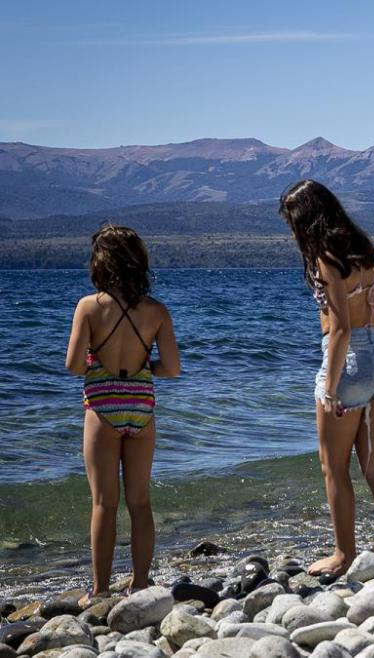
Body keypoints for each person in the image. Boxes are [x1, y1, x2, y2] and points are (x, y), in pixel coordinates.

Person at [280, 179, 374, 576]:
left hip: (348, 363)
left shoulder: (326, 258)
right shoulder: (364, 254)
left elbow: (339, 330)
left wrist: (330, 388)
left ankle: (343, 554)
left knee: (333, 467)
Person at [65, 225, 181, 603]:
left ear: (100, 262)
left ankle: (99, 589)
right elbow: (172, 368)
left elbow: (73, 366)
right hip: (141, 407)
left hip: (102, 407)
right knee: (140, 501)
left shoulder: (89, 306)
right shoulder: (156, 311)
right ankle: (141, 582)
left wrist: (96, 361)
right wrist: (143, 368)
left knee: (103, 502)